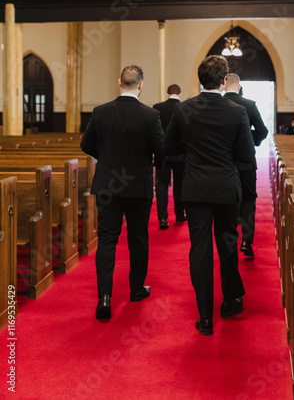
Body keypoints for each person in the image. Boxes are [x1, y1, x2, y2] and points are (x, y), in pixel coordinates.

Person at [164, 55, 255, 335]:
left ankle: (205, 316)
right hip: (227, 188)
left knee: (200, 249)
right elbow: (247, 155)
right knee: (228, 245)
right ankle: (229, 299)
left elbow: (169, 147)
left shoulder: (185, 110)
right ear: (224, 80)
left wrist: (193, 156)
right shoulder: (236, 111)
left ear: (200, 79)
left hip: (195, 188)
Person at [80, 65, 164, 320]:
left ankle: (104, 297)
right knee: (138, 239)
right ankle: (136, 289)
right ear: (140, 85)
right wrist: (149, 163)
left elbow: (86, 145)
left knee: (107, 240)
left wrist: (104, 158)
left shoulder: (101, 112)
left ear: (119, 82)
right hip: (138, 185)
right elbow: (161, 152)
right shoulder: (151, 115)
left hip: (107, 186)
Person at [224, 73, 268, 257]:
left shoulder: (218, 106)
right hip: (247, 162)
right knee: (249, 199)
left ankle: (229, 241)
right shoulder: (249, 105)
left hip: (225, 162)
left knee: (228, 201)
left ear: (223, 84)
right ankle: (246, 242)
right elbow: (263, 131)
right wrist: (252, 142)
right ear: (239, 86)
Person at [153, 84, 186, 230]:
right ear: (180, 94)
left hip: (163, 152)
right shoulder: (185, 107)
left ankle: (162, 218)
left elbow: (154, 131)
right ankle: (179, 214)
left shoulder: (157, 107)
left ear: (167, 94)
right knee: (179, 184)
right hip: (180, 153)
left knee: (162, 184)